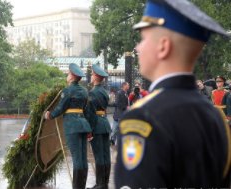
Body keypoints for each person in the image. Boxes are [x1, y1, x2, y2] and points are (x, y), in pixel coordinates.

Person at [115, 0, 231, 188]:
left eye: (143, 39)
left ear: (163, 46)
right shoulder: (216, 118)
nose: (138, 48)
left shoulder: (142, 117)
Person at [45, 63, 91, 189]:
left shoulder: (68, 90)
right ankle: (81, 186)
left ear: (72, 77)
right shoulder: (84, 91)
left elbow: (61, 107)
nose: (67, 75)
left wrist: (50, 115)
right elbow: (86, 109)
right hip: (83, 125)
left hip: (72, 126)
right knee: (82, 158)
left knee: (77, 158)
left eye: (68, 74)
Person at [85, 64, 111, 189]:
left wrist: (89, 130)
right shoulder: (104, 92)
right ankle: (104, 183)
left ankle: (100, 184)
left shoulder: (93, 92)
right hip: (105, 124)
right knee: (106, 155)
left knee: (99, 156)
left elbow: (90, 113)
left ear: (95, 77)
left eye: (91, 75)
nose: (90, 76)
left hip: (97, 126)